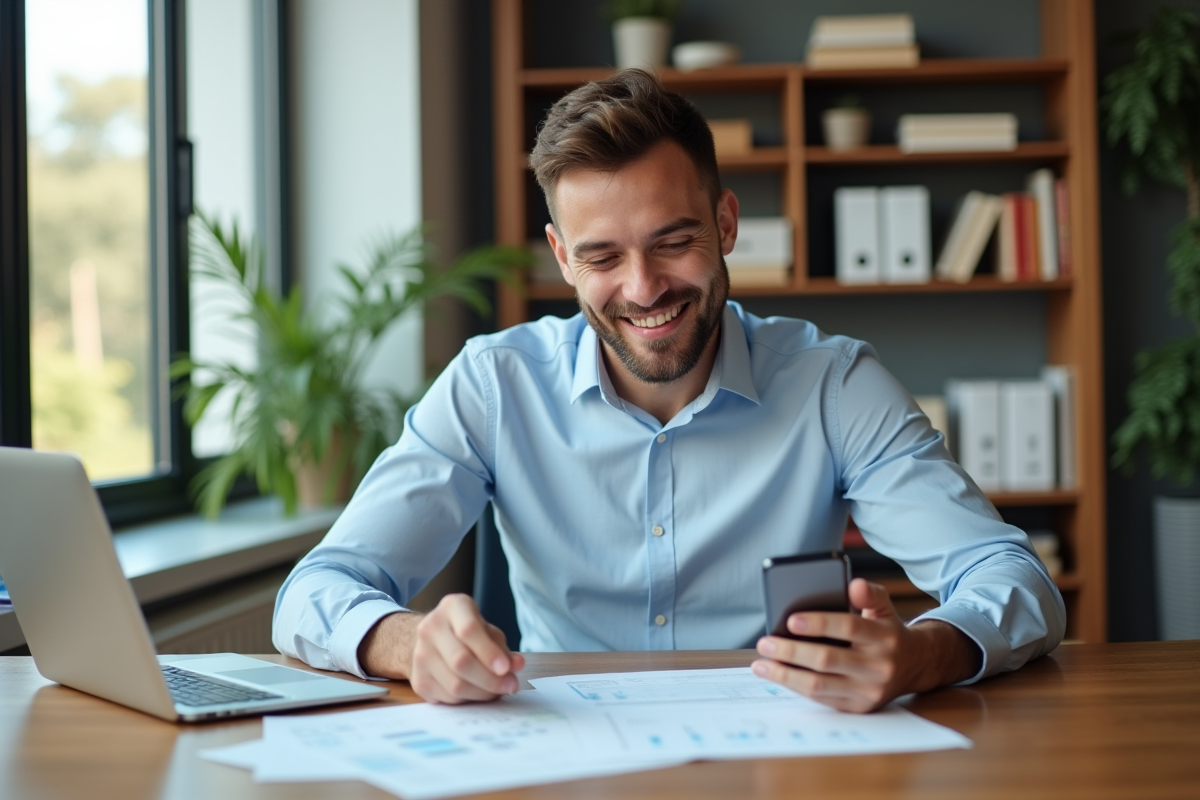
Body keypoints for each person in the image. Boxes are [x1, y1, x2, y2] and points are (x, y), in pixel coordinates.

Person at [273, 69, 1065, 713]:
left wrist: (921, 653)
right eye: (602, 257)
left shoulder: (835, 383)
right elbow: (314, 592)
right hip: (564, 754)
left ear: (725, 223)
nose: (643, 288)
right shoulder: (493, 384)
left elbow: (1012, 579)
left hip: (788, 757)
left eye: (673, 242)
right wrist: (411, 645)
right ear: (560, 256)